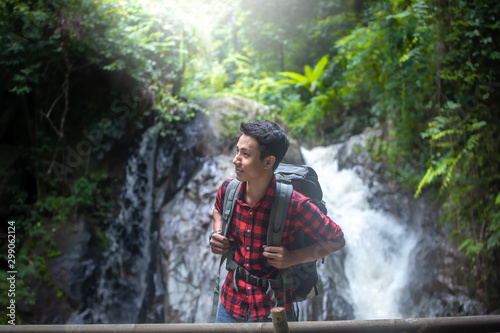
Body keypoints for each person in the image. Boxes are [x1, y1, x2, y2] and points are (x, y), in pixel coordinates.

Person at [209, 120, 345, 323]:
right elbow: (218, 209)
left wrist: (293, 258)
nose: (235, 160)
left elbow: (337, 239)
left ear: (268, 162)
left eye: (245, 154)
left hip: (273, 310)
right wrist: (217, 233)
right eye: (237, 151)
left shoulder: (294, 205)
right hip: (230, 304)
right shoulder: (228, 190)